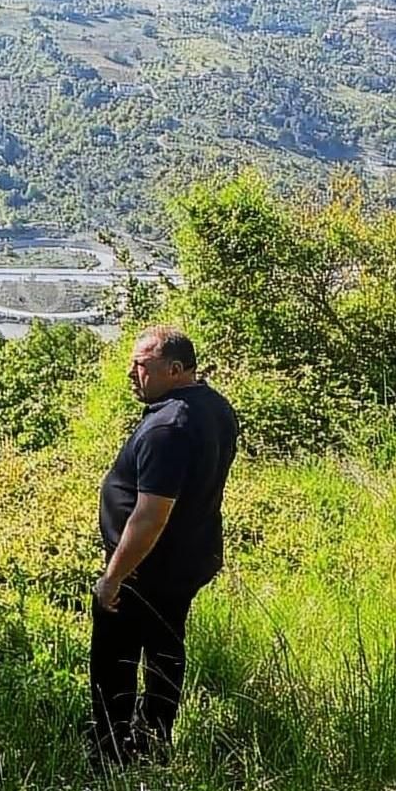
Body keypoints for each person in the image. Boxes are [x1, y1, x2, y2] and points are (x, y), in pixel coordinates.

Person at [91, 326, 238, 764]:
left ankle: (113, 751)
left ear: (175, 370)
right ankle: (154, 739)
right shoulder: (213, 406)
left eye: (142, 365)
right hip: (188, 559)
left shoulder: (169, 426)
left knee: (114, 661)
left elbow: (150, 515)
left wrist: (112, 578)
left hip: (147, 569)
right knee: (165, 649)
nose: (132, 373)